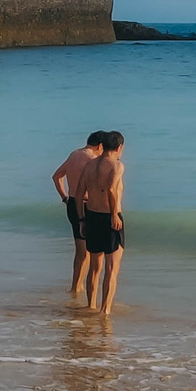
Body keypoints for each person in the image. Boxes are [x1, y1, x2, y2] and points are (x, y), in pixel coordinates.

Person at [77, 130, 128, 314]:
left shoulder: (89, 165)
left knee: (94, 267)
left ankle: (91, 305)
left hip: (92, 216)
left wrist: (81, 219)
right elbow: (112, 190)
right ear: (119, 147)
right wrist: (114, 215)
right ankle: (105, 310)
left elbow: (79, 193)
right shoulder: (117, 165)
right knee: (111, 268)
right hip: (109, 217)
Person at [52, 130, 103, 303]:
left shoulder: (74, 154)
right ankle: (80, 289)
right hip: (87, 205)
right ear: (100, 146)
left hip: (72, 203)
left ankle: (76, 286)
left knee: (80, 250)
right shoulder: (93, 159)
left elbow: (56, 176)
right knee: (88, 252)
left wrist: (64, 197)